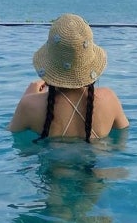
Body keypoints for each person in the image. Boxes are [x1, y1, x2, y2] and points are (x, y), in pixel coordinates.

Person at [8, 13, 129, 141]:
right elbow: (121, 143)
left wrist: (29, 95)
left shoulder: (29, 106)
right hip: (98, 153)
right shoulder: (109, 99)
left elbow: (18, 144)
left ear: (50, 64)